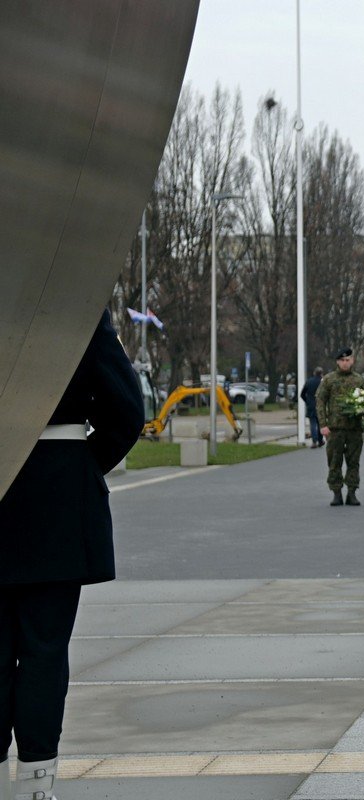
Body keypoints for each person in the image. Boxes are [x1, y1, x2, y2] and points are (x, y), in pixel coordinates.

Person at [0, 309, 143, 800]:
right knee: (44, 650)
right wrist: (76, 469)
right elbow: (125, 408)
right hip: (55, 500)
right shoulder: (73, 302)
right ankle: (37, 783)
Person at [316, 348, 364, 507]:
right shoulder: (329, 380)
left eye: (348, 360)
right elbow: (320, 401)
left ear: (352, 361)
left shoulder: (359, 380)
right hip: (335, 429)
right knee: (334, 461)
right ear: (338, 362)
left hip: (354, 429)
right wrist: (323, 425)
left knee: (354, 462)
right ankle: (336, 493)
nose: (345, 363)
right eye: (342, 360)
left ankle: (352, 493)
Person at [300, 366, 325, 448]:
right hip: (320, 405)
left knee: (313, 424)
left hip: (311, 405)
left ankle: (314, 441)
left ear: (314, 373)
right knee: (320, 424)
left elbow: (302, 394)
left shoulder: (309, 381)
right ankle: (320, 440)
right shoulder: (323, 382)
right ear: (321, 373)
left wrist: (307, 401)